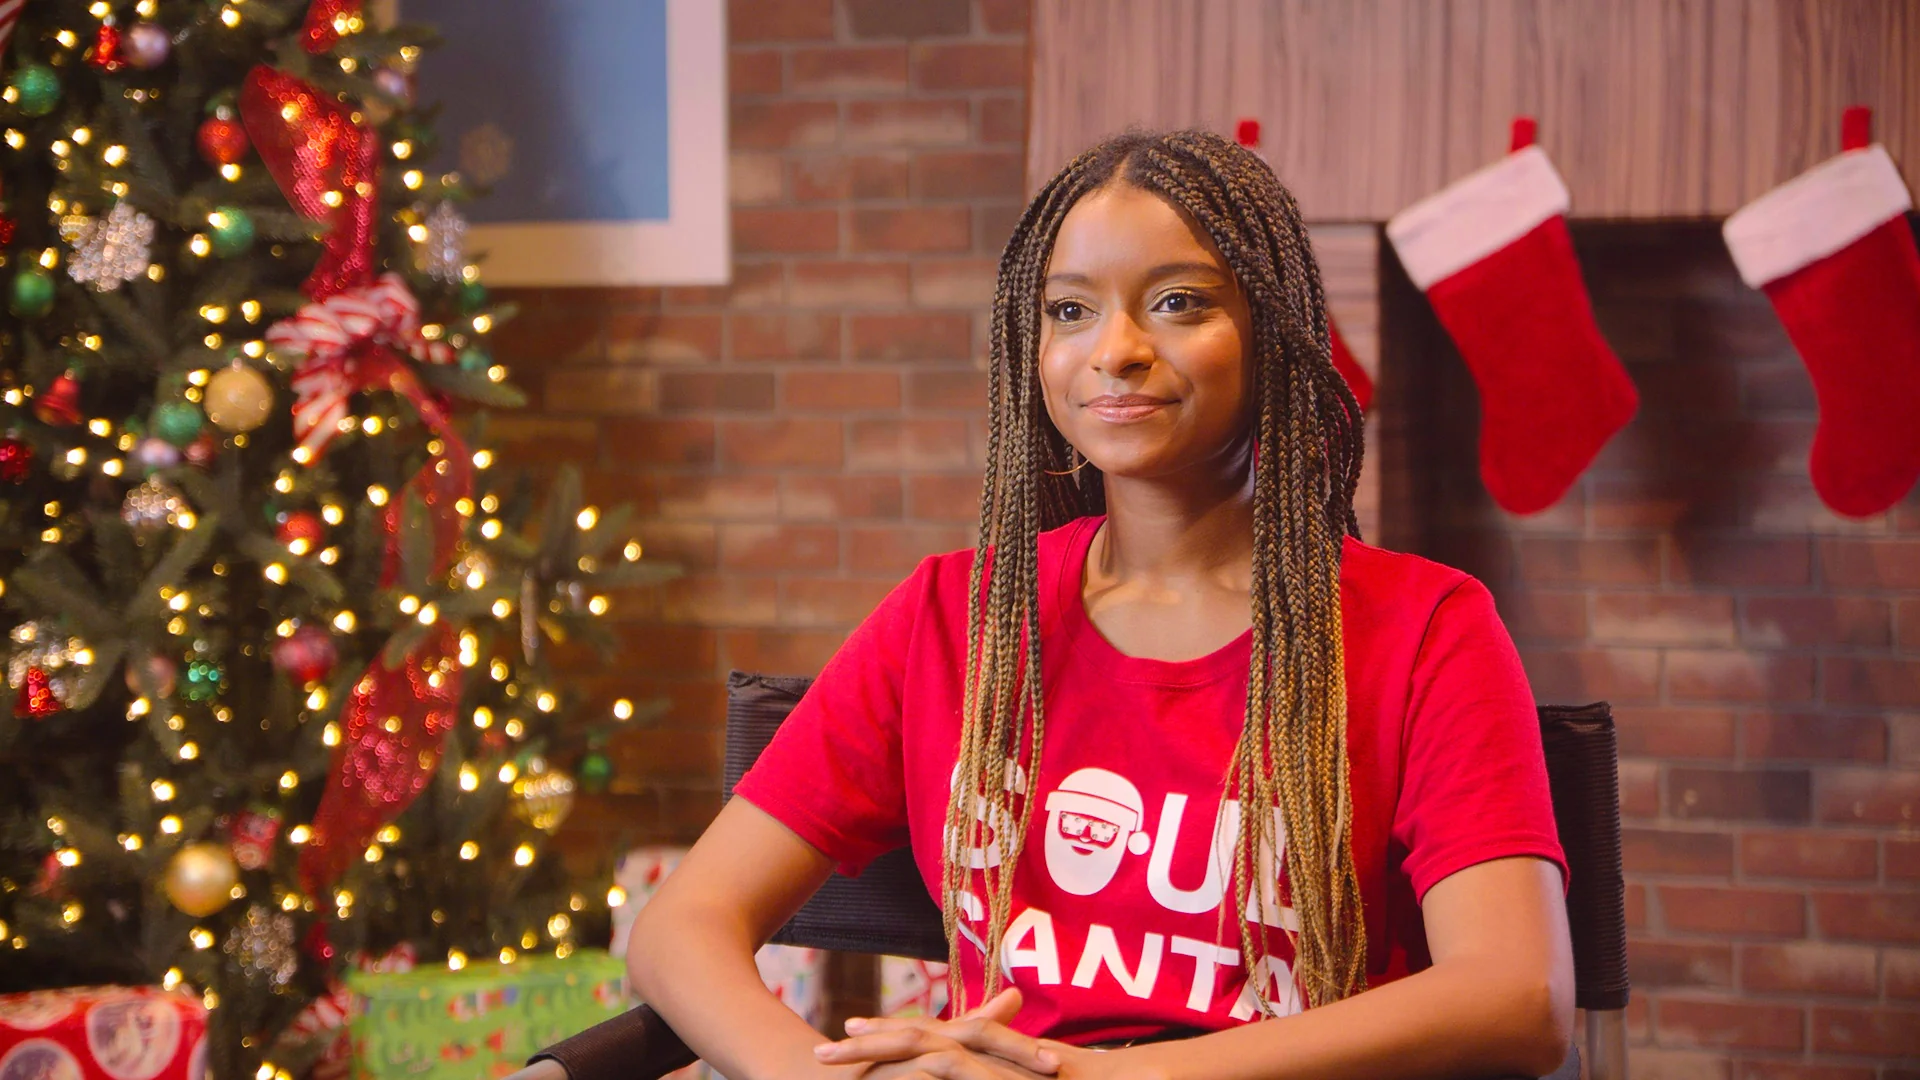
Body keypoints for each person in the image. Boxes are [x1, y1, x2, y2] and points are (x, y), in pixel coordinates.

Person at [627, 130, 1575, 1080]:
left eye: (1177, 303)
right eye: (1070, 310)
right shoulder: (951, 618)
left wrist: (1111, 1077)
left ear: (1276, 331)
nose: (1114, 350)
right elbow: (683, 927)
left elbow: (1516, 997)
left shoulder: (1425, 628)